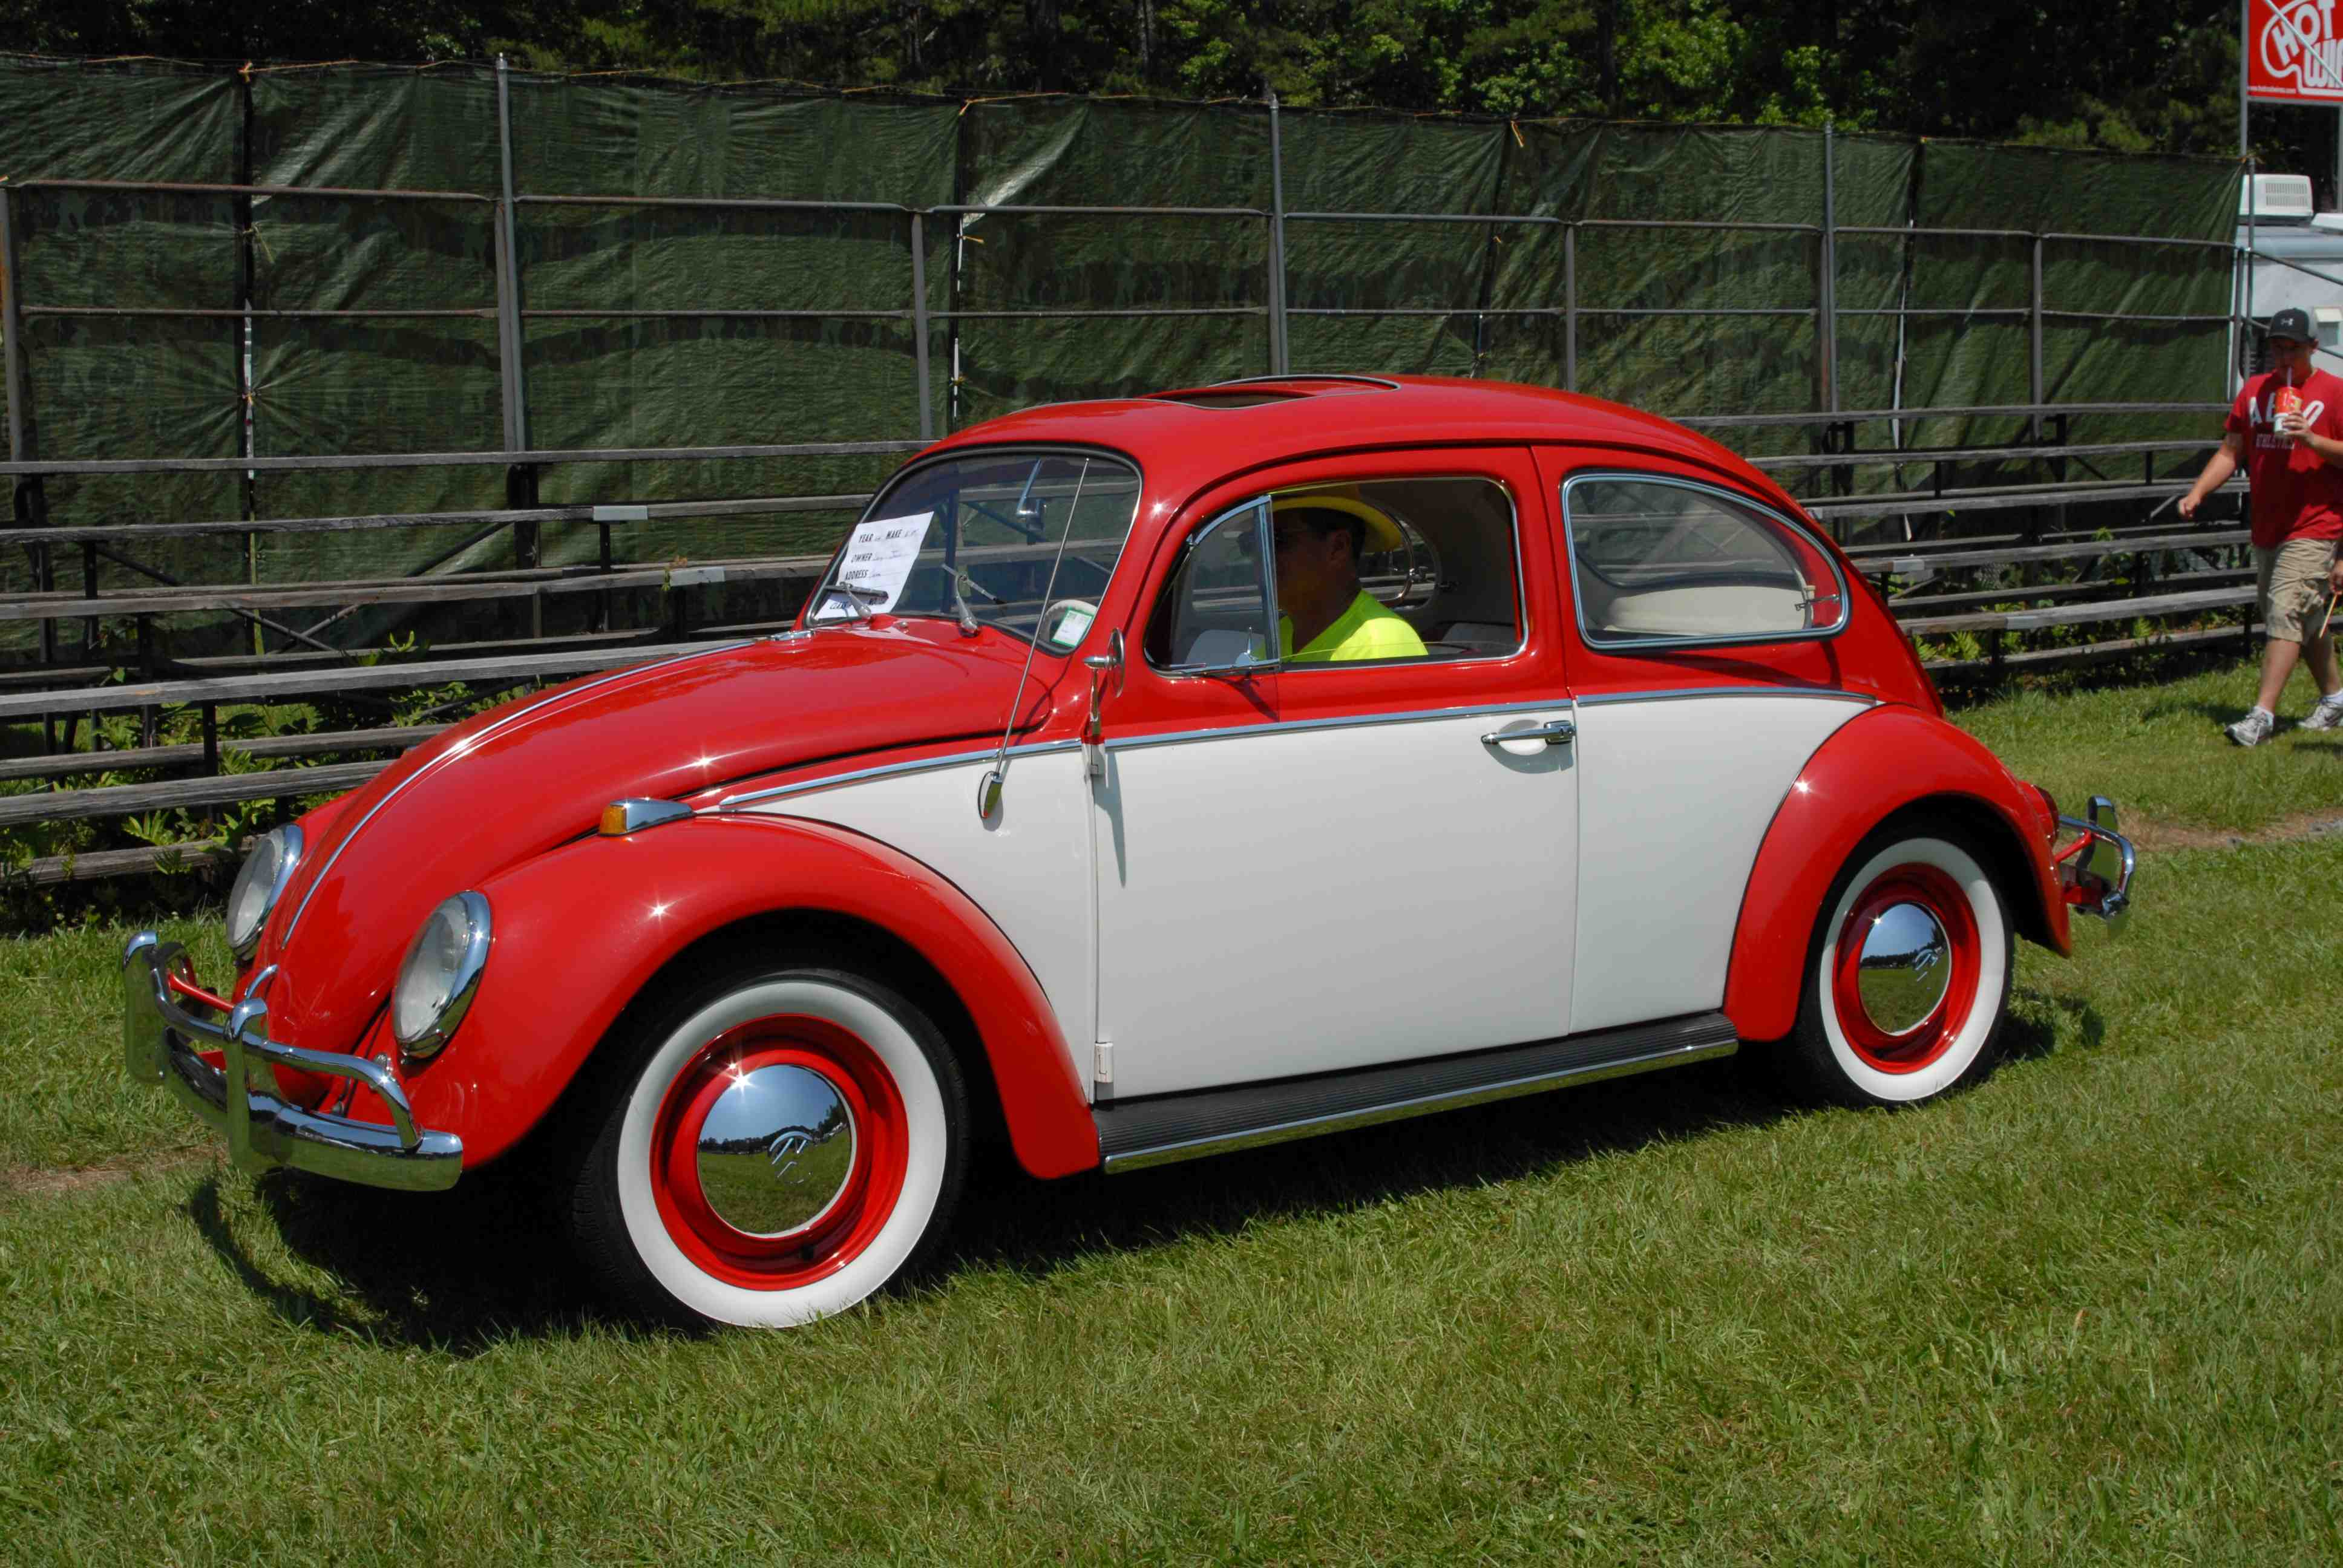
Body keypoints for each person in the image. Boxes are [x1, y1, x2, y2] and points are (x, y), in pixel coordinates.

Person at [2179, 306, 2343, 745]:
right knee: (2305, 620)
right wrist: (2199, 492)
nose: (2284, 357)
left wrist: (2310, 439)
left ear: (2314, 346)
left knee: (2285, 613)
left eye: (2294, 348)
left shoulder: (2335, 392)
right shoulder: (2254, 391)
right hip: (2270, 526)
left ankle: (2261, 716)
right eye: (2277, 347)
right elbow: (2232, 451)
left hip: (2317, 524)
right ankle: (2336, 699)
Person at [1272, 489, 1428, 663]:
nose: (1260, 556)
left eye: (1276, 540)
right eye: (1251, 541)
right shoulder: (1282, 634)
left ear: (1338, 547)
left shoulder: (1382, 647)